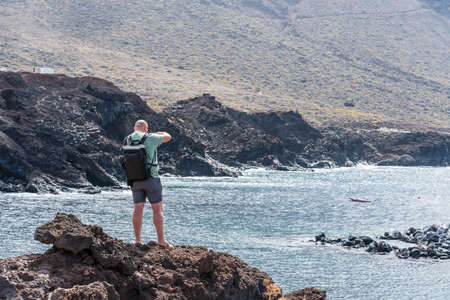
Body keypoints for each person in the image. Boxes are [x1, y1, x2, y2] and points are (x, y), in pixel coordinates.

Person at [125, 119, 172, 247]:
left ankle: (138, 240)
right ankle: (161, 241)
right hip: (151, 178)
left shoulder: (127, 139)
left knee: (137, 209)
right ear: (146, 128)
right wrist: (158, 132)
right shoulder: (150, 137)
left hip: (134, 180)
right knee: (157, 209)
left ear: (134, 128)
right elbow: (168, 137)